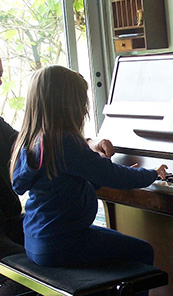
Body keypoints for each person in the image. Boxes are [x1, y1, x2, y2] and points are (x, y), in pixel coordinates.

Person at [9, 65, 167, 280]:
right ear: (67, 104)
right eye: (82, 101)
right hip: (63, 243)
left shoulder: (32, 141)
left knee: (117, 241)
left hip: (38, 241)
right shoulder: (65, 141)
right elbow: (112, 175)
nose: (84, 108)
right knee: (142, 251)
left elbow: (68, 185)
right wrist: (151, 174)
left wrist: (108, 173)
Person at [0, 58, 117, 295]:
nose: (0, 82)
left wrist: (89, 145)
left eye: (0, 76)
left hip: (11, 224)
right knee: (62, 258)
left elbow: (37, 145)